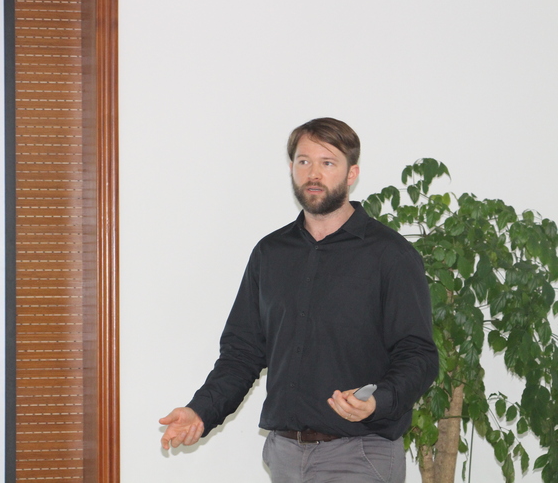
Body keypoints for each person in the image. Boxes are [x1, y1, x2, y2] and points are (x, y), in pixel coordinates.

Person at [159, 118, 438, 483]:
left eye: (328, 162)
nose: (313, 174)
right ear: (291, 168)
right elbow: (242, 353)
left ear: (351, 173)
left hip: (360, 454)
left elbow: (419, 355)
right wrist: (200, 411)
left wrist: (378, 401)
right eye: (304, 161)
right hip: (284, 455)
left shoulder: (391, 255)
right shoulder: (270, 253)